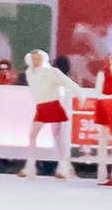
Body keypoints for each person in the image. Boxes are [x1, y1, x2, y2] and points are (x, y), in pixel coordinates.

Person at [23, 49, 85, 178]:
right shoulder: (30, 73)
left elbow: (67, 82)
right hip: (41, 107)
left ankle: (63, 167)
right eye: (34, 58)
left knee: (57, 136)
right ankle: (31, 166)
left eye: (38, 58)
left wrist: (78, 93)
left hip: (52, 106)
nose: (36, 61)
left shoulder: (51, 72)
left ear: (43, 59)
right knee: (33, 135)